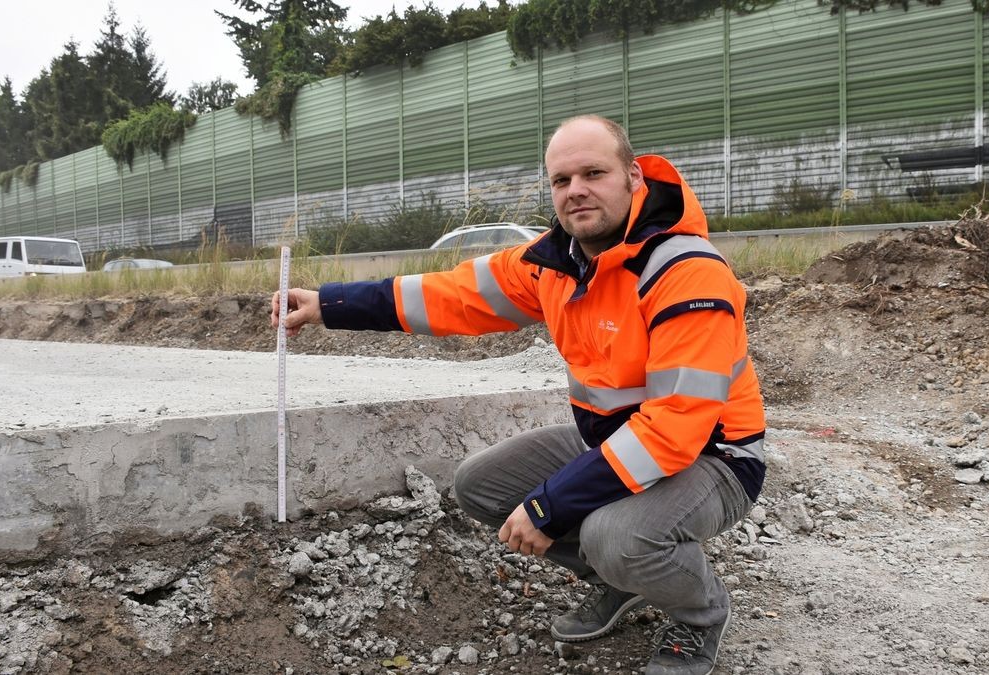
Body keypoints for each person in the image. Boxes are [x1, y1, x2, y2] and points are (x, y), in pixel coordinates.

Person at [272, 114, 767, 675]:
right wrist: (331, 304)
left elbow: (677, 427)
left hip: (713, 459)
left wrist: (550, 505)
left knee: (615, 536)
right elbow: (451, 294)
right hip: (619, 446)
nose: (575, 190)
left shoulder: (686, 272)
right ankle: (623, 583)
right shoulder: (555, 265)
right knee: (479, 486)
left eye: (593, 173)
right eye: (561, 180)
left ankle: (700, 613)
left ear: (633, 177)